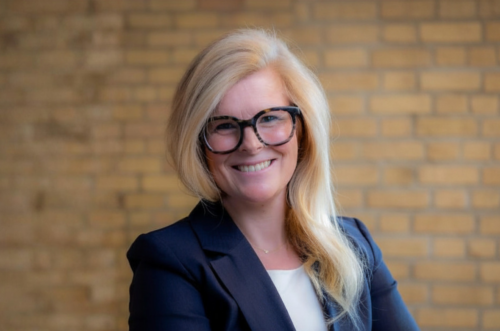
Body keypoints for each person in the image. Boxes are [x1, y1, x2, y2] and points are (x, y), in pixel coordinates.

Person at [127, 29, 419, 331]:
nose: (251, 144)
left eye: (269, 118)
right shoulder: (170, 261)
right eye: (225, 125)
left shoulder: (353, 244)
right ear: (199, 143)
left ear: (302, 128)